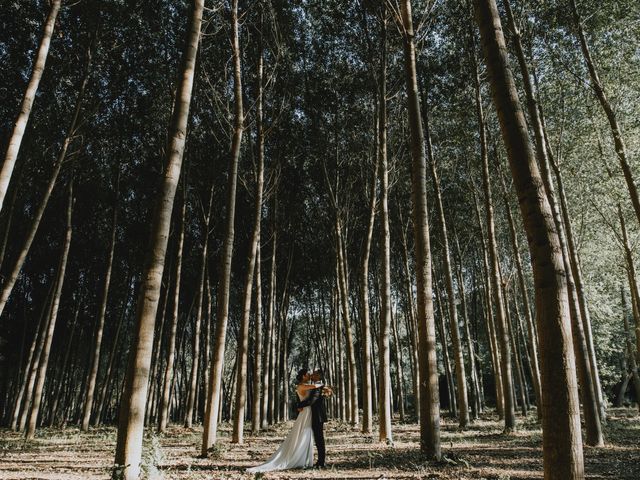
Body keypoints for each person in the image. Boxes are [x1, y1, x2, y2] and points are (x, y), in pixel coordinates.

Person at [246, 368, 317, 473]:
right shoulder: (301, 386)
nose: (309, 376)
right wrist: (322, 384)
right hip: (306, 411)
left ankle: (305, 458)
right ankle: (300, 458)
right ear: (303, 376)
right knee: (304, 432)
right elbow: (315, 387)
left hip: (306, 410)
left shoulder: (304, 385)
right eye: (308, 374)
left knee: (306, 432)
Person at [296, 369, 329, 469]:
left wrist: (299, 405)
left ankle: (321, 462)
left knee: (319, 439)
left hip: (317, 415)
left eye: (314, 374)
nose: (311, 375)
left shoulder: (318, 386)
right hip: (312, 415)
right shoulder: (315, 385)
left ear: (318, 376)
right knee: (316, 438)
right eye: (311, 374)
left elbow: (312, 400)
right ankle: (314, 460)